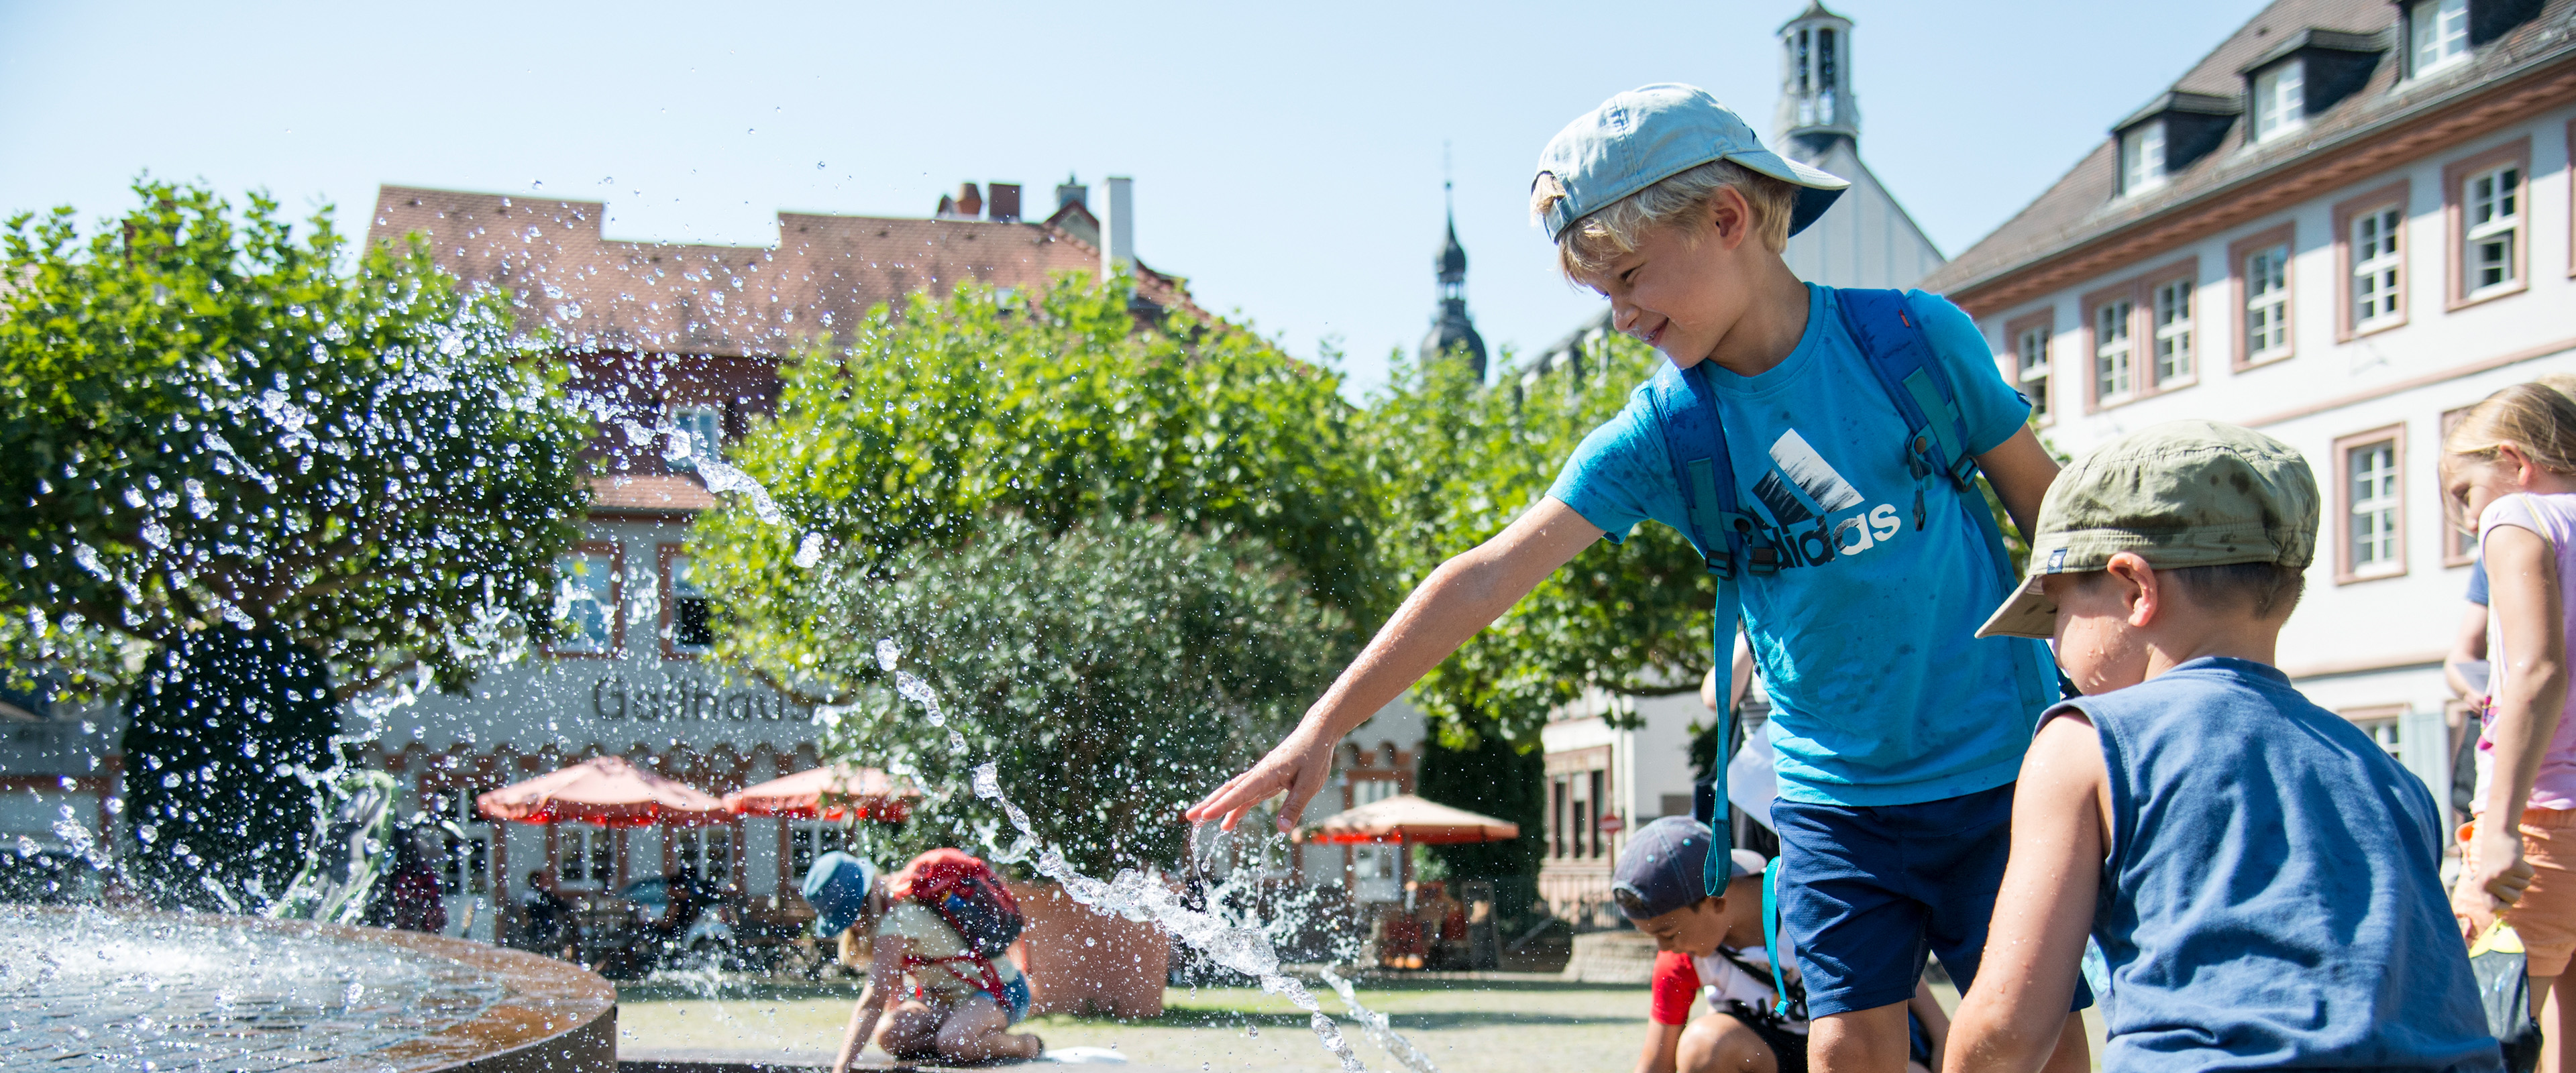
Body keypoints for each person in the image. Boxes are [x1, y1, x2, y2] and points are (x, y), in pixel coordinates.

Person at [1187, 84, 2076, 1073]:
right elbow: (1483, 577)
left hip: (1997, 766)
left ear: (1727, 220)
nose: (1617, 318)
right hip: (1833, 797)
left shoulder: (1914, 342)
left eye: (1629, 278)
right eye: (1600, 293)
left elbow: (2058, 520)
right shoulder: (1668, 432)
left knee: (2027, 1048)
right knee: (1846, 1054)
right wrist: (1324, 725)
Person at [1946, 420, 2499, 1072]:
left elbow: (2007, 1027)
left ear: (2135, 590)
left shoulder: (2084, 743)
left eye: (2057, 610)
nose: (2054, 639)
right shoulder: (2387, 773)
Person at [2449, 383, 2576, 1071]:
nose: (2469, 519)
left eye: (2466, 492)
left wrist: (2497, 827)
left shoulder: (2520, 517)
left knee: (2483, 1039)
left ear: (2513, 459)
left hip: (2538, 820)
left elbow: (2537, 670)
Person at [1618, 817, 1948, 1073]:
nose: (1665, 948)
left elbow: (1893, 967)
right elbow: (1656, 1064)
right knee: (1703, 1045)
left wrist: (1944, 1038)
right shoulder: (1682, 958)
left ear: (1716, 900)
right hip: (1773, 1054)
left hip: (1857, 1044)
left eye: (1668, 933)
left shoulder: (1808, 903)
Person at [809, 850, 1041, 1072]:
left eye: (850, 918)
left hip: (1002, 991)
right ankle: (956, 1039)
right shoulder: (893, 906)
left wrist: (841, 1068)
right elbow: (891, 1005)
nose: (852, 927)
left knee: (955, 1042)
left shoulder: (897, 921)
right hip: (949, 1003)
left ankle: (1025, 1045)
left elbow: (872, 1002)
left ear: (861, 905)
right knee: (890, 1036)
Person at [519, 868, 575, 955]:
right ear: (539, 882)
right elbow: (565, 908)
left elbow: (523, 915)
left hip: (532, 935)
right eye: (545, 879)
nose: (548, 882)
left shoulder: (526, 895)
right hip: (548, 933)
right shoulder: (546, 896)